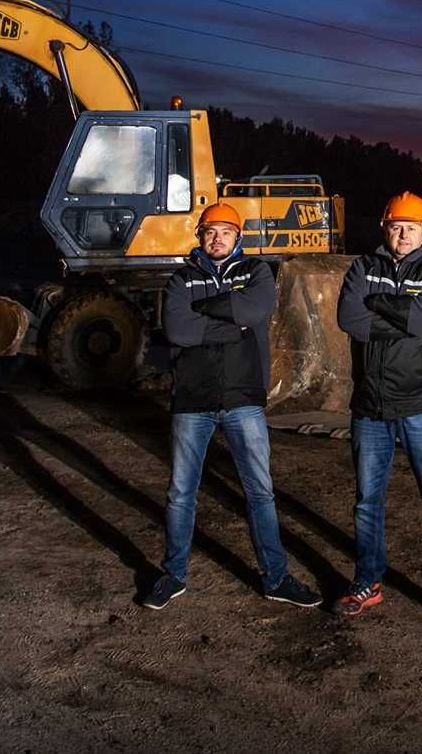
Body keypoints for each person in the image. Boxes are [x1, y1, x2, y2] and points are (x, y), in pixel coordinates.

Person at [142, 201, 320, 610]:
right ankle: (173, 575)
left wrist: (203, 313)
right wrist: (229, 324)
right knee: (181, 493)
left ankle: (275, 578)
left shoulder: (256, 273)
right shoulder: (181, 279)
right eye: (210, 232)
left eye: (225, 232)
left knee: (260, 493)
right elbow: (177, 329)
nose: (217, 238)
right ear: (200, 238)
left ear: (238, 237)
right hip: (192, 400)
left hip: (243, 400)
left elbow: (253, 309)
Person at [333, 192, 422, 635]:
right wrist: (403, 318)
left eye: (411, 227)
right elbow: (349, 319)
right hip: (370, 406)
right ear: (384, 228)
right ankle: (367, 582)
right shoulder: (362, 268)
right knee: (367, 503)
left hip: (421, 406)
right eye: (396, 226)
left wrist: (380, 304)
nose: (403, 233)